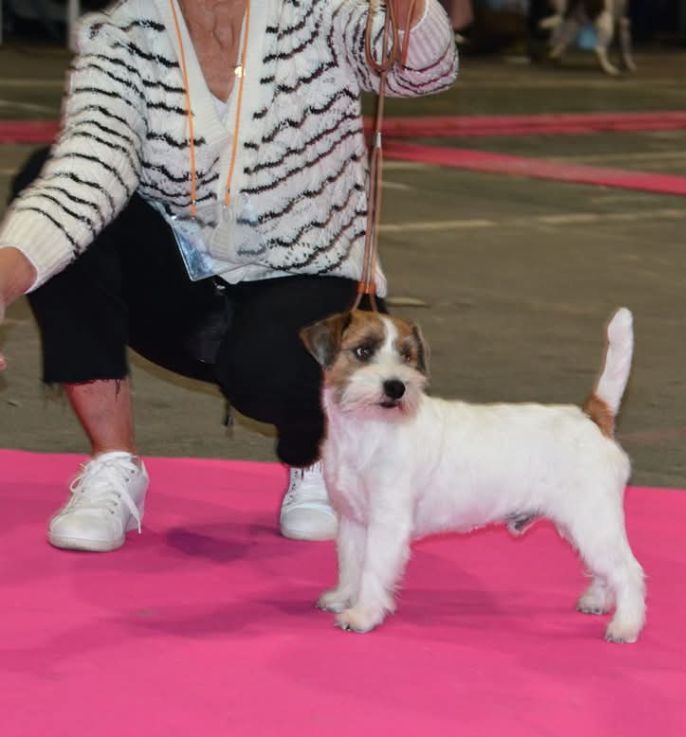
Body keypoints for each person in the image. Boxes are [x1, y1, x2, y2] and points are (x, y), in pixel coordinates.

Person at [0, 0, 458, 552]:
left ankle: (317, 459)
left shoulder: (318, 11)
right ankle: (113, 465)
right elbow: (83, 175)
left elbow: (419, 69)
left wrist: (410, 12)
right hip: (184, 293)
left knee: (277, 365)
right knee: (52, 188)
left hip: (308, 277)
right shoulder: (122, 35)